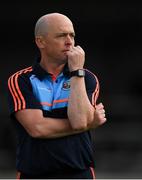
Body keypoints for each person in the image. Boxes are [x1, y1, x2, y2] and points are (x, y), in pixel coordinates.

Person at [7, 12, 106, 179]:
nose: (69, 42)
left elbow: (79, 121)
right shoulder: (20, 80)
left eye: (72, 35)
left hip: (79, 174)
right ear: (41, 42)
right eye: (61, 35)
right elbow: (37, 128)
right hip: (33, 175)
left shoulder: (86, 77)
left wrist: (76, 72)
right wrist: (89, 124)